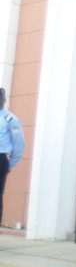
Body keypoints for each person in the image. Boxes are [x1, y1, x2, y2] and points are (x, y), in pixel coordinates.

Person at [0, 87, 25, 226]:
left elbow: (19, 144)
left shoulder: (10, 119)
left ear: (4, 100)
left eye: (0, 98)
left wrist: (9, 165)